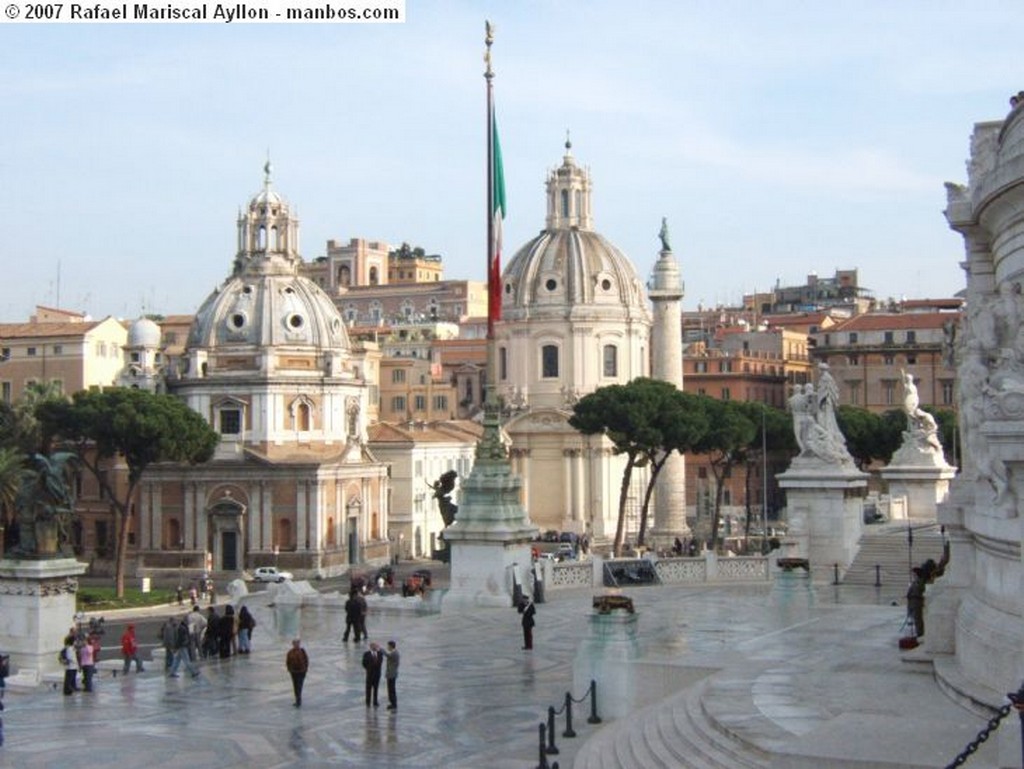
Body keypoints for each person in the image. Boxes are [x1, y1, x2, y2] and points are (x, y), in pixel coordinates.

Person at [285, 638, 309, 707]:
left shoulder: (302, 651)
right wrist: (289, 669)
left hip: (301, 672)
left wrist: (305, 669)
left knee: (299, 685)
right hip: (293, 672)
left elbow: (306, 660)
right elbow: (288, 661)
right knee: (295, 686)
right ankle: (297, 699)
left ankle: (298, 699)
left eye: (297, 643)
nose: (296, 645)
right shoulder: (290, 652)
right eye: (295, 643)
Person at [362, 641, 383, 707]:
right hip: (369, 674)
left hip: (377, 674)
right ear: (370, 647)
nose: (375, 647)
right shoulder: (366, 654)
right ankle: (368, 702)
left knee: (376, 689)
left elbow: (380, 662)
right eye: (373, 646)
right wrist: (368, 668)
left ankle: (375, 701)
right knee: (368, 689)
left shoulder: (380, 653)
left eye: (376, 646)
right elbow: (364, 663)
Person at [383, 640, 400, 711]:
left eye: (388, 646)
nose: (387, 647)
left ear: (390, 646)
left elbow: (388, 655)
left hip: (391, 674)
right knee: (390, 689)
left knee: (391, 689)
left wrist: (381, 650)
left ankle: (393, 704)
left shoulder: (394, 653)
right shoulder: (394, 652)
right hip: (391, 674)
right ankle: (392, 703)